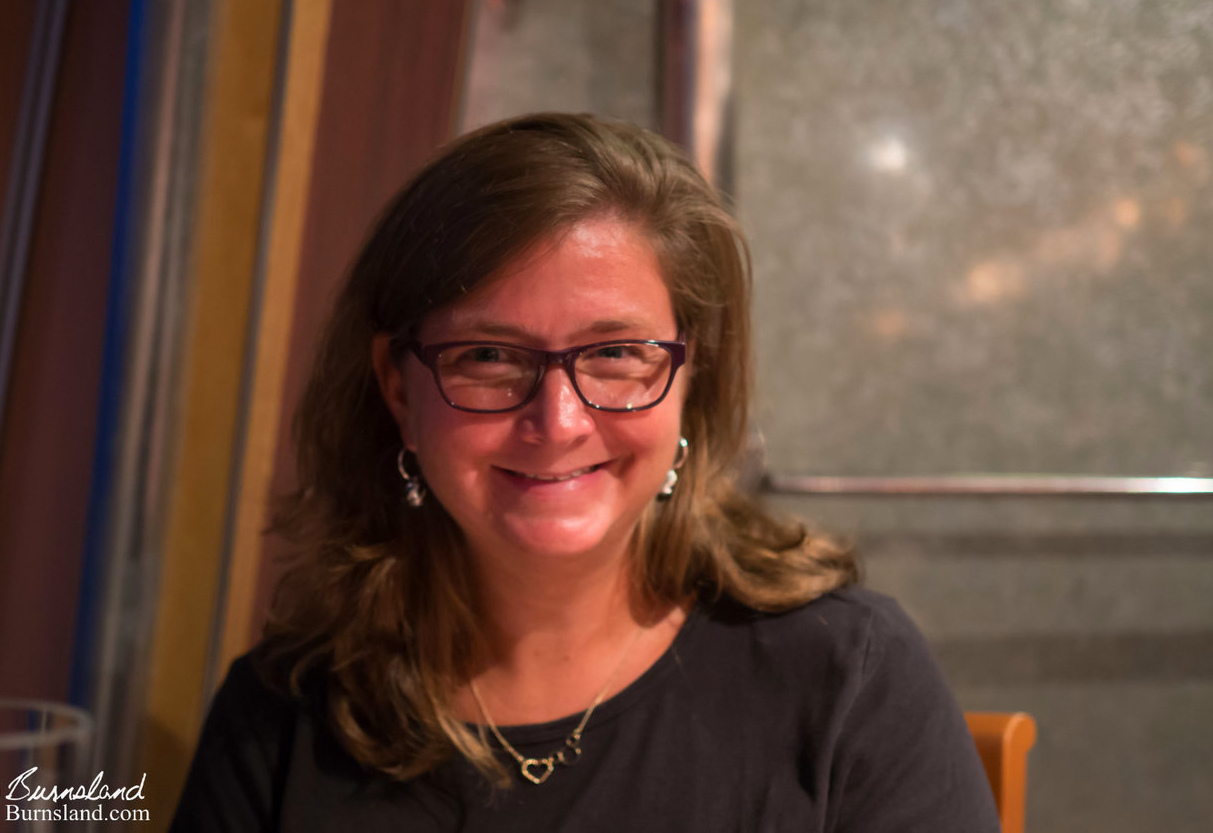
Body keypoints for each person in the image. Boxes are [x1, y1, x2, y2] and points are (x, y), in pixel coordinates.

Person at [170, 113, 999, 831]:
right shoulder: (282, 715)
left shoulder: (848, 676)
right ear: (397, 386)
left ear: (690, 375)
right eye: (489, 357)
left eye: (615, 355)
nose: (557, 422)